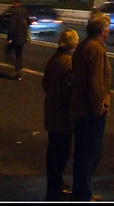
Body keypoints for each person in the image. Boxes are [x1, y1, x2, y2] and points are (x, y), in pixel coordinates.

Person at [70, 11, 112, 202]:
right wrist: (100, 108)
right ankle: (83, 195)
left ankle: (80, 192)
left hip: (80, 109)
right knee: (90, 155)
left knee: (83, 154)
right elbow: (96, 84)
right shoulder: (97, 50)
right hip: (90, 113)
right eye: (107, 29)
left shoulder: (83, 46)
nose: (109, 32)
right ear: (102, 31)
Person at [42, 28, 79, 201]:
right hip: (63, 117)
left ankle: (53, 184)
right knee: (62, 153)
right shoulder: (69, 64)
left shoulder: (53, 60)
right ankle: (56, 188)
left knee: (53, 152)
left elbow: (45, 83)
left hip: (51, 113)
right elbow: (70, 92)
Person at [6, 0, 31, 80]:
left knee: (9, 52)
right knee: (19, 55)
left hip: (15, 37)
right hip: (23, 38)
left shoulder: (14, 12)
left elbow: (11, 26)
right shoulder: (25, 11)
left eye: (13, 2)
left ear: (16, 2)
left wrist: (9, 38)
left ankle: (17, 70)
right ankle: (19, 72)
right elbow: (29, 21)